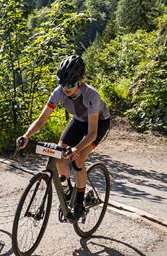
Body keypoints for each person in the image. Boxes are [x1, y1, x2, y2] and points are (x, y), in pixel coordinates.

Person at [15, 55, 111, 219]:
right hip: (78, 121)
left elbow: (92, 133)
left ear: (80, 81)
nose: (65, 88)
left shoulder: (91, 95)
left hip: (99, 124)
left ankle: (79, 200)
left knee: (78, 159)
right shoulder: (58, 92)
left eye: (70, 84)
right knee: (58, 154)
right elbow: (41, 120)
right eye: (62, 83)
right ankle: (67, 191)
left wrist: (76, 149)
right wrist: (26, 135)